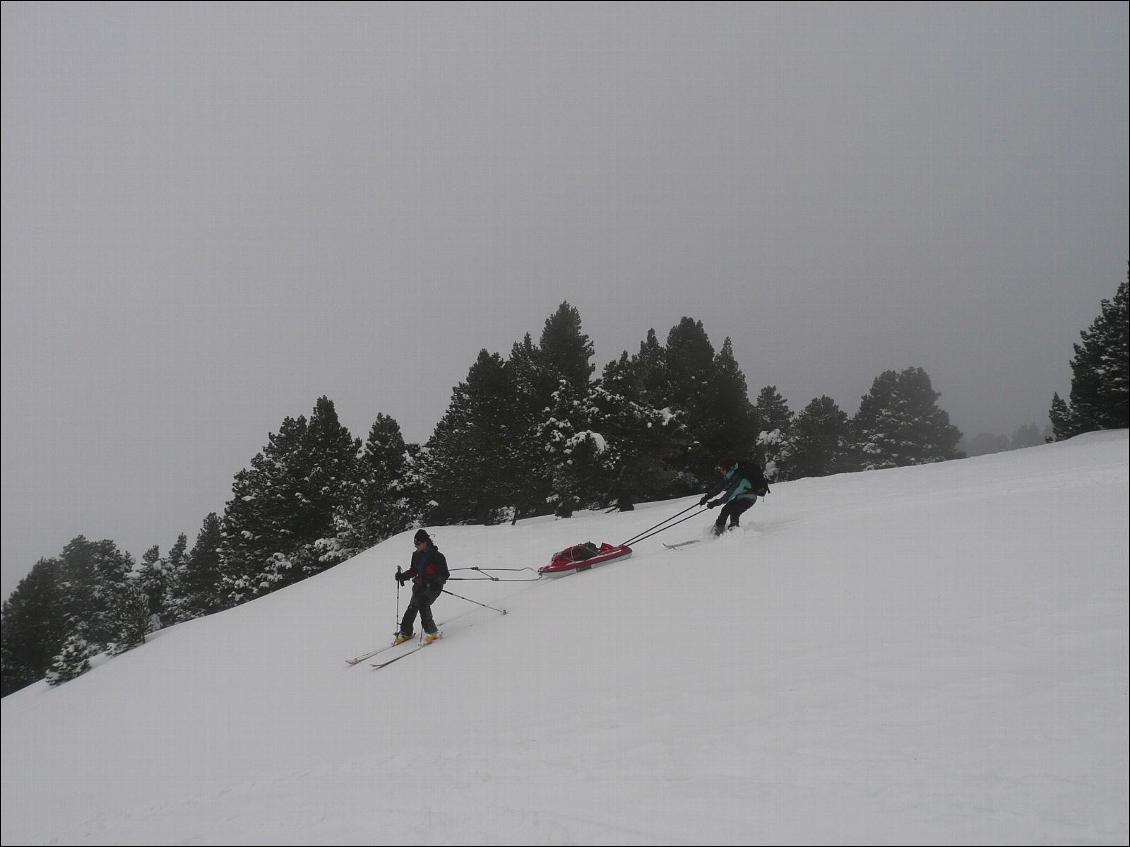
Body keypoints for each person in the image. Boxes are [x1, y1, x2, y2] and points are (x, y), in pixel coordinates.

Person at [393, 529, 449, 644]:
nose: (416, 546)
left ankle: (432, 632)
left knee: (423, 603)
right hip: (420, 586)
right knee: (412, 607)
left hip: (433, 587)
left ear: (425, 542)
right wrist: (402, 576)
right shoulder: (416, 555)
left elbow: (445, 574)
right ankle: (406, 632)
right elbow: (414, 571)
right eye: (415, 544)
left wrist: (435, 582)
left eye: (418, 544)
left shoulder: (438, 556)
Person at [699, 458, 765, 536]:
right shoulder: (731, 475)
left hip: (749, 498)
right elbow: (719, 487)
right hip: (741, 497)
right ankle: (718, 531)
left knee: (734, 511)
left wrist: (717, 502)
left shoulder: (741, 478)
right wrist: (707, 497)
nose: (721, 471)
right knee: (726, 509)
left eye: (722, 469)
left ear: (728, 468)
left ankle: (734, 532)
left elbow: (730, 494)